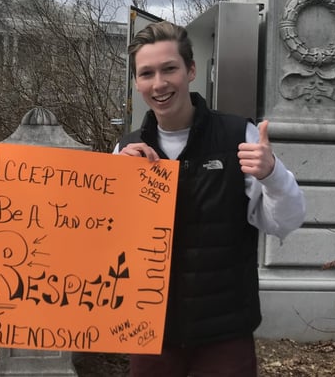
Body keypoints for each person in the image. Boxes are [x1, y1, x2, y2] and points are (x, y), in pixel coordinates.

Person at [115, 21, 306, 377]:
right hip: (150, 334)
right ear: (137, 83)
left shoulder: (238, 135)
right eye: (147, 73)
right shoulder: (126, 150)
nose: (159, 84)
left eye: (169, 68)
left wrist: (273, 174)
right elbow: (107, 242)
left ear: (190, 70)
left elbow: (285, 222)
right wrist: (116, 187)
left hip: (225, 335)